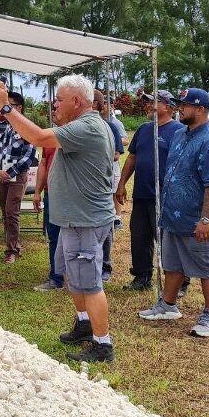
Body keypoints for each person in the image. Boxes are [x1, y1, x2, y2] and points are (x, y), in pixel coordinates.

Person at [0, 75, 116, 363]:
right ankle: (85, 324)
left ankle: (103, 345)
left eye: (59, 99)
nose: (53, 104)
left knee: (90, 282)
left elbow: (38, 138)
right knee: (74, 276)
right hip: (74, 219)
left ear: (77, 101)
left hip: (85, 220)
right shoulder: (86, 125)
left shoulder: (87, 127)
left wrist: (7, 109)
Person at [138, 88, 209, 338]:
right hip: (173, 215)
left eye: (185, 105)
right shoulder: (180, 134)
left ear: (200, 109)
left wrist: (206, 219)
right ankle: (167, 305)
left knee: (208, 267)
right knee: (173, 263)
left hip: (196, 221)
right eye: (179, 104)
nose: (180, 108)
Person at [116, 90, 185, 291]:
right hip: (142, 193)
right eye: (147, 102)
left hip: (166, 196)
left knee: (167, 239)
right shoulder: (143, 129)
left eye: (152, 102)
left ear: (167, 106)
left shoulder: (178, 131)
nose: (147, 105)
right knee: (139, 236)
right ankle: (142, 276)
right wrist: (121, 184)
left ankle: (179, 281)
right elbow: (132, 158)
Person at [0, 90, 36, 264]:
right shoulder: (0, 126)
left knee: (11, 211)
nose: (5, 108)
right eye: (3, 105)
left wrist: (12, 172)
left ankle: (12, 250)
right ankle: (14, 244)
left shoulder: (27, 126)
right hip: (0, 176)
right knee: (5, 212)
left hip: (17, 176)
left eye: (10, 105)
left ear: (19, 108)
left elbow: (29, 154)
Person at [93, 89, 124, 281]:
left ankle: (106, 265)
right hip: (85, 185)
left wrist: (92, 157)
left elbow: (117, 155)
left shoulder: (110, 127)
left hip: (103, 182)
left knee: (106, 223)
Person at [32, 145, 64, 291]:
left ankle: (78, 279)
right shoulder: (50, 137)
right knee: (54, 236)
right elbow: (44, 163)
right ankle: (56, 278)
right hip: (51, 194)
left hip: (72, 196)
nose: (54, 119)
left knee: (77, 237)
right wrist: (37, 191)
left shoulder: (79, 132)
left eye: (57, 118)